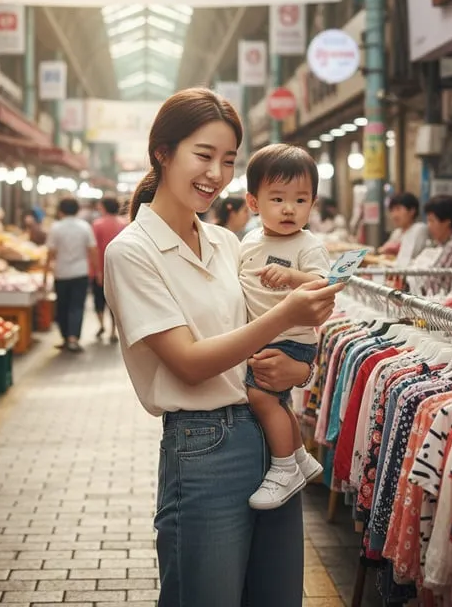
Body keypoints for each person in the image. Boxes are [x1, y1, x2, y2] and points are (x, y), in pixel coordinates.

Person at [103, 88, 342, 607]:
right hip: (204, 446)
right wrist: (287, 313)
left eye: (228, 160)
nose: (216, 173)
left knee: (277, 598)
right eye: (203, 155)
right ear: (162, 152)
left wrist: (298, 373)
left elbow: (269, 338)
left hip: (271, 437)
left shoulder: (228, 243)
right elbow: (188, 364)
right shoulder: (132, 253)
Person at [239, 144, 329, 510]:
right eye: (277, 198)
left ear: (313, 203)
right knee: (279, 401)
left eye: (300, 199)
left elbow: (324, 286)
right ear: (253, 202)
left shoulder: (309, 245)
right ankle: (300, 458)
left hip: (291, 341)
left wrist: (293, 277)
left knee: (261, 397)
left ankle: (284, 467)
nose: (289, 209)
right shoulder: (248, 242)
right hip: (260, 337)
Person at [45, 197, 96, 353]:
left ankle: (66, 337)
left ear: (60, 211)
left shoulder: (56, 228)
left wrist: (45, 273)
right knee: (77, 306)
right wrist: (96, 270)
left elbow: (51, 253)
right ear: (77, 210)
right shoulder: (85, 227)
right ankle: (73, 338)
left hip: (62, 273)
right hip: (80, 272)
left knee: (62, 306)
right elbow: (93, 250)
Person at [407, 194, 452, 294]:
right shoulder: (439, 245)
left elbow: (437, 288)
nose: (428, 226)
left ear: (447, 222)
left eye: (431, 220)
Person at [91, 195, 126, 342]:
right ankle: (113, 331)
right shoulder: (124, 224)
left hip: (99, 267)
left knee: (99, 299)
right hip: (119, 269)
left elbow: (94, 249)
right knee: (115, 302)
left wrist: (97, 271)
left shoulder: (97, 224)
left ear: (104, 207)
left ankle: (101, 325)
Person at [379, 192, 429, 267]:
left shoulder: (419, 229)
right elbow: (383, 250)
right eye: (392, 210)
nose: (394, 215)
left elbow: (410, 255)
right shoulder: (397, 232)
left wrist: (394, 250)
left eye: (398, 209)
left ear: (412, 211)